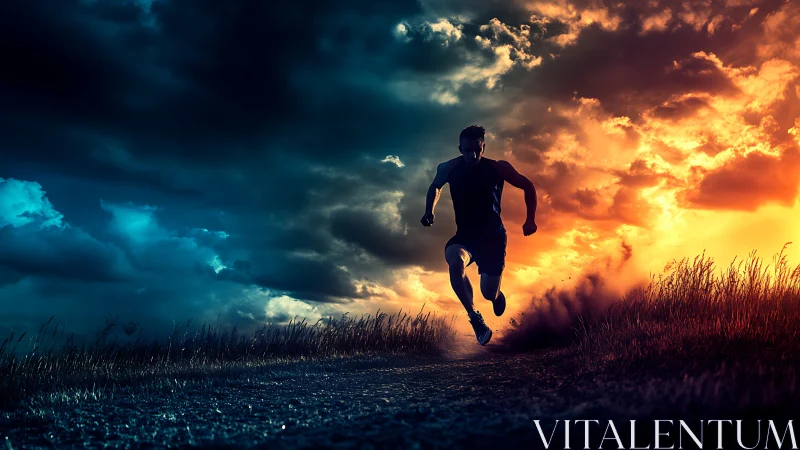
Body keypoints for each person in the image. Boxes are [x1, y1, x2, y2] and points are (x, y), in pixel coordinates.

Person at [421, 125, 537, 346]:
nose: (472, 155)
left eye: (477, 150)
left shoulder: (498, 168)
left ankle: (496, 295)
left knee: (488, 293)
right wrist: (429, 211)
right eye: (467, 150)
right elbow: (435, 187)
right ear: (460, 148)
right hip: (465, 237)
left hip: (493, 238)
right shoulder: (448, 168)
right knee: (455, 262)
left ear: (483, 147)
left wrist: (530, 219)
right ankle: (475, 318)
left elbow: (527, 186)